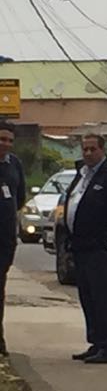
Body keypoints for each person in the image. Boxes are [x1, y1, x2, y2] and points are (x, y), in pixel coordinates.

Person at [64, 134, 107, 364]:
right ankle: (96, 342)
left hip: (100, 251)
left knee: (105, 299)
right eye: (85, 149)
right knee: (88, 298)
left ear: (103, 150)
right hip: (81, 248)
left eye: (93, 149)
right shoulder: (82, 174)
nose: (88, 153)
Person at [0, 122, 27, 356]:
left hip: (6, 238)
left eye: (9, 140)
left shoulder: (14, 164)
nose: (6, 144)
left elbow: (20, 198)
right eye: (2, 139)